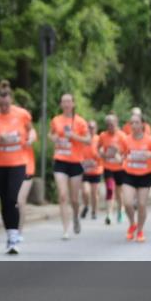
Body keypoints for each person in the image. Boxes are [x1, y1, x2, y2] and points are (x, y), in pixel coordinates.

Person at [0, 80, 36, 254]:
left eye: (7, 104)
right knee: (4, 200)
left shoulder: (21, 114)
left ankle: (14, 238)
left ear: (11, 100)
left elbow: (31, 130)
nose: (4, 107)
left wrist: (31, 138)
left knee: (13, 198)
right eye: (1, 105)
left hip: (18, 163)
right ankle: (9, 234)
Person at [49, 94, 90, 240]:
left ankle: (75, 216)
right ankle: (65, 229)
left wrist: (73, 136)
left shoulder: (80, 121)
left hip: (75, 161)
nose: (66, 104)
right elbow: (51, 135)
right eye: (63, 101)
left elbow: (88, 140)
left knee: (74, 199)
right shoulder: (56, 120)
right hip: (60, 160)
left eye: (68, 101)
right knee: (62, 195)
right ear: (61, 104)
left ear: (73, 104)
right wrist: (53, 138)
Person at [119, 116, 151, 242]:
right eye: (131, 123)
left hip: (144, 175)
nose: (134, 125)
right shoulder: (126, 140)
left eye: (136, 123)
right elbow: (120, 153)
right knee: (127, 203)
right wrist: (118, 158)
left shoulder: (150, 140)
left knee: (142, 204)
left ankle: (140, 231)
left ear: (142, 124)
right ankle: (132, 223)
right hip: (128, 174)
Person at [97, 114, 127, 224]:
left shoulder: (123, 136)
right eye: (108, 125)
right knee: (110, 189)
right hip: (108, 167)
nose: (110, 127)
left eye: (112, 124)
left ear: (116, 123)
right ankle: (109, 214)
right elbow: (98, 148)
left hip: (120, 167)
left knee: (119, 191)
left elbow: (128, 151)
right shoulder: (103, 136)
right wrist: (102, 153)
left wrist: (120, 156)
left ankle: (120, 210)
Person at [80, 120, 105, 224]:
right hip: (85, 170)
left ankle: (94, 211)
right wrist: (83, 162)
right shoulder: (83, 139)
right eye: (89, 127)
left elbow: (103, 152)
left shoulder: (99, 139)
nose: (91, 129)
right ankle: (86, 206)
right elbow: (78, 152)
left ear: (96, 128)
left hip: (96, 169)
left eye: (93, 127)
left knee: (94, 193)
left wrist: (97, 160)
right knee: (85, 191)